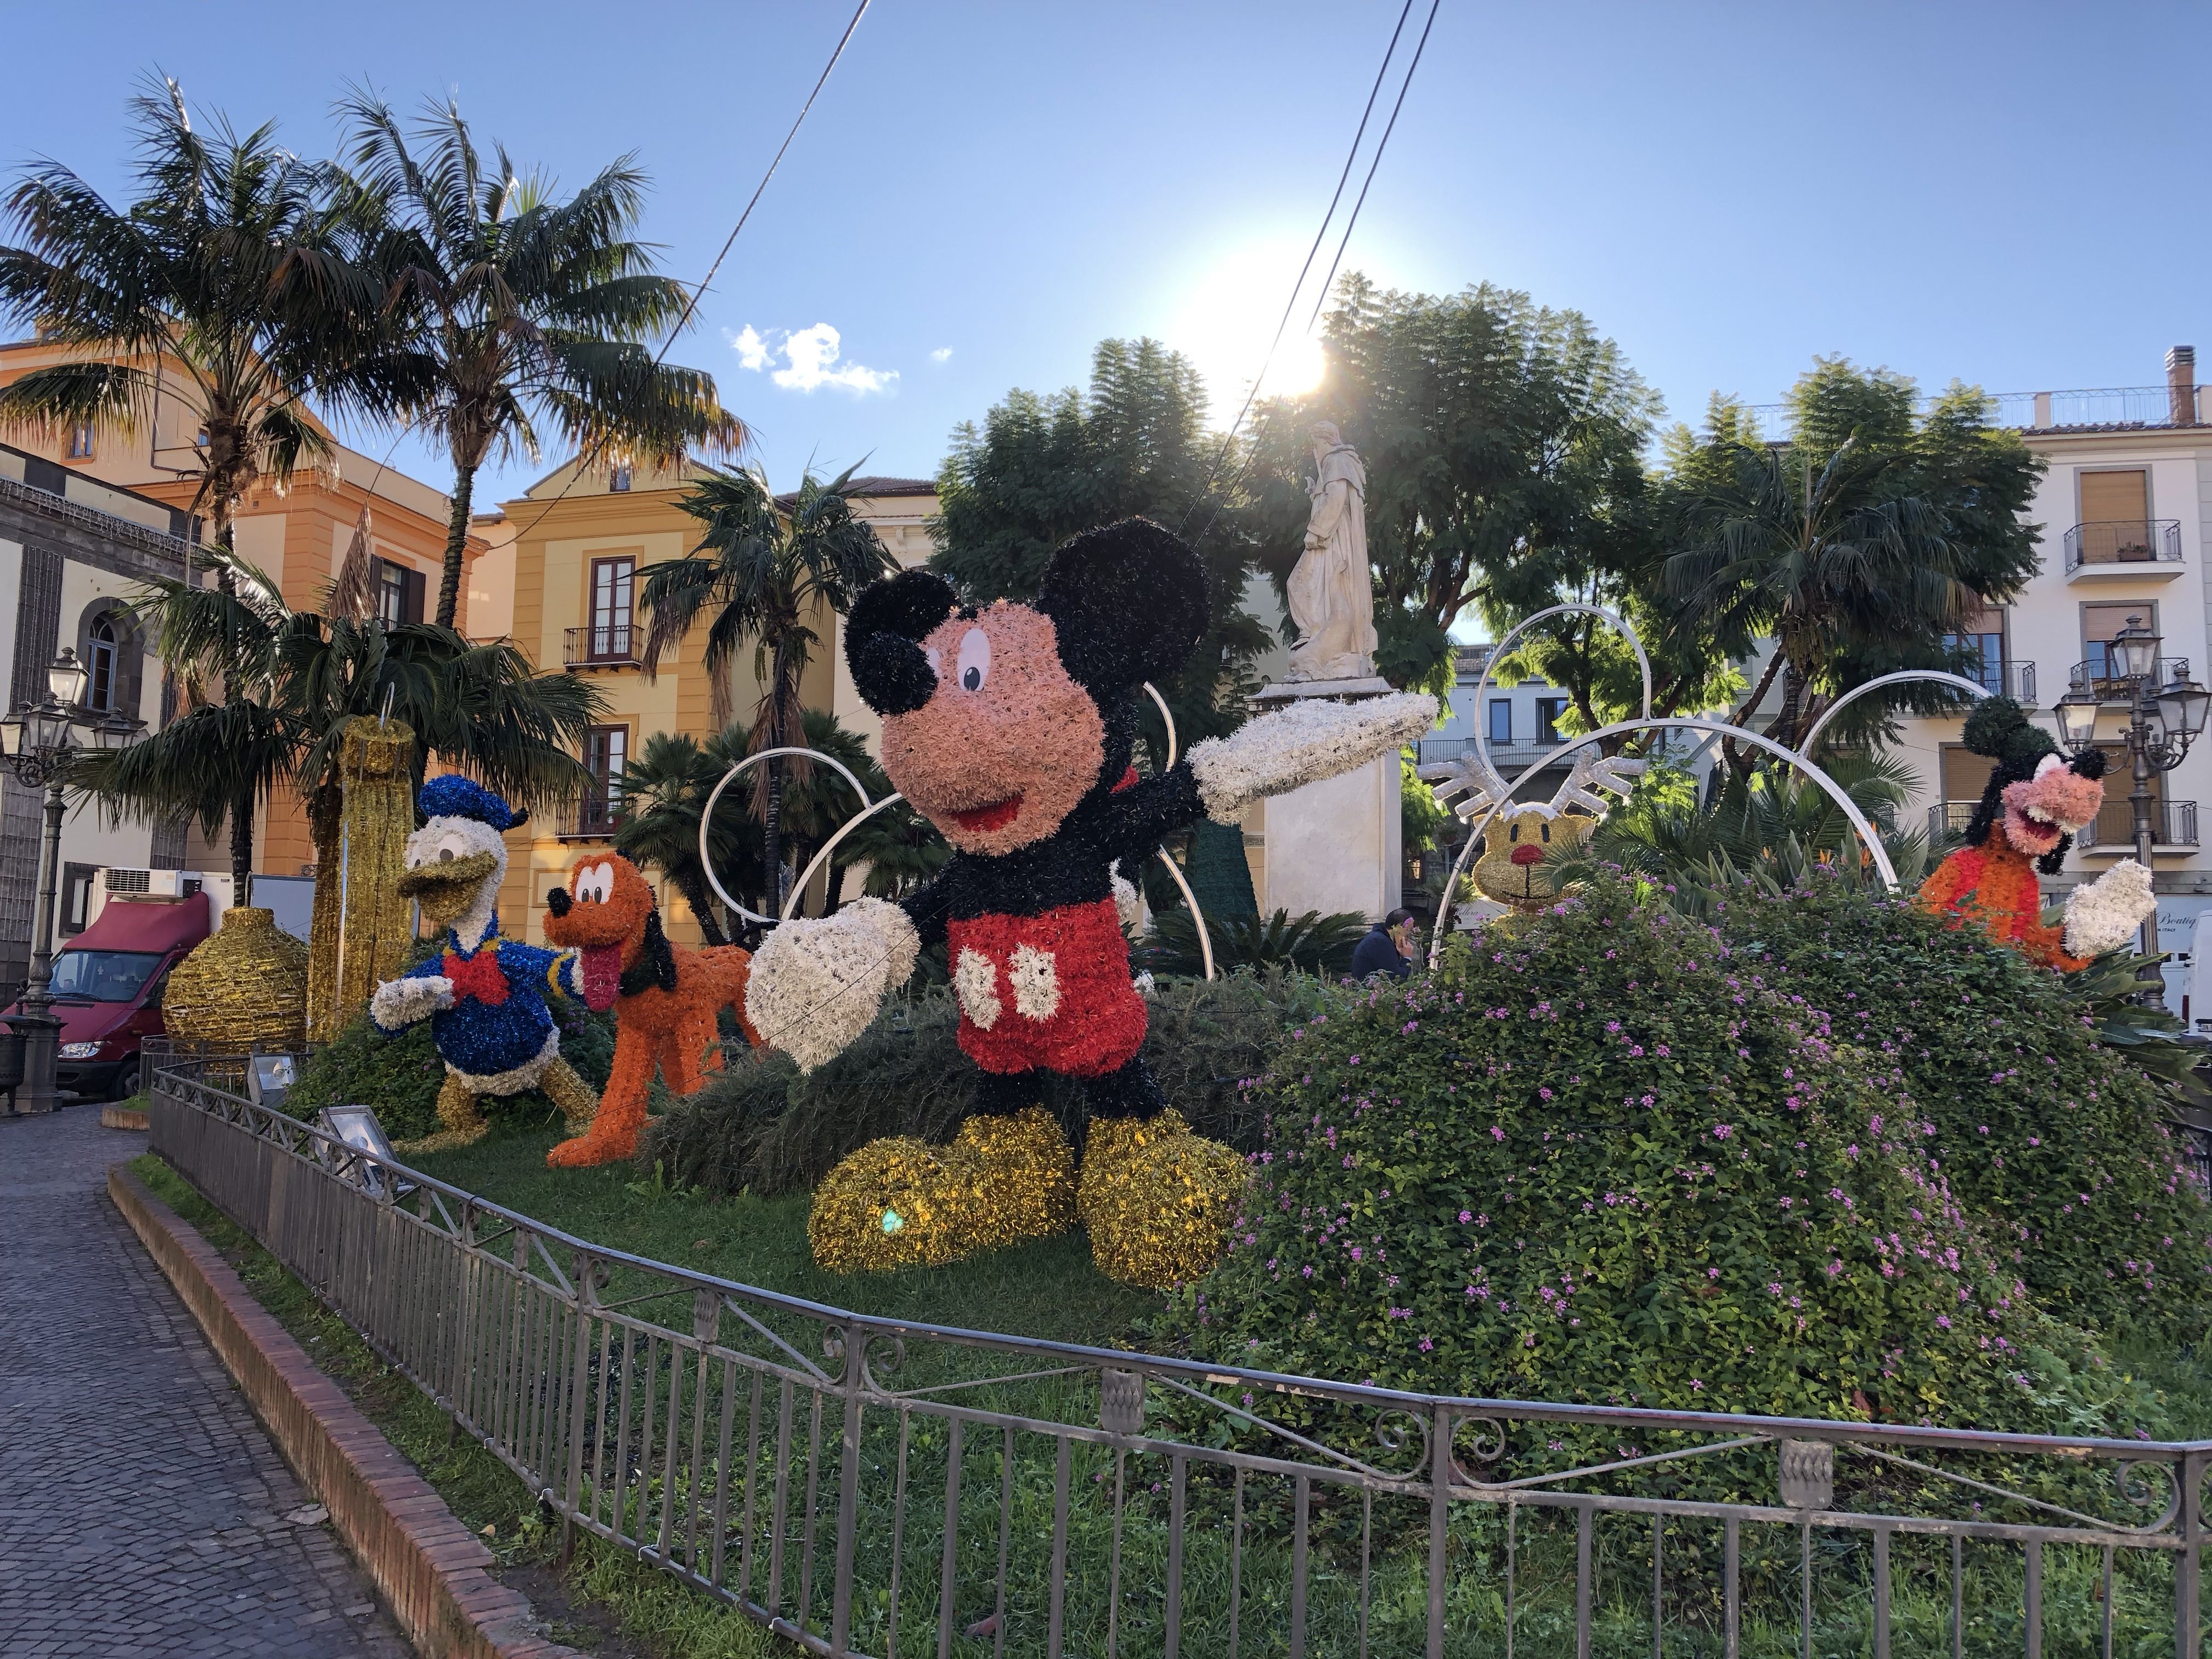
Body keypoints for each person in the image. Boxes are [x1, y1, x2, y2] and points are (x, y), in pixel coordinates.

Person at [1351, 909, 1417, 981]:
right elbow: (1396, 977)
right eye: (1408, 930)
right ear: (1397, 928)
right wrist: (1407, 958)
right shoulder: (1380, 942)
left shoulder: (1380, 939)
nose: (1409, 935)